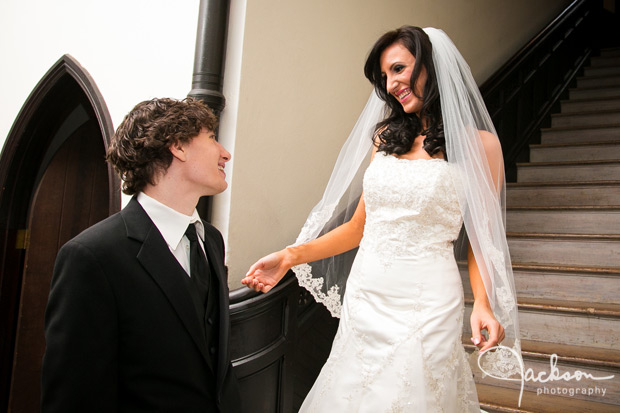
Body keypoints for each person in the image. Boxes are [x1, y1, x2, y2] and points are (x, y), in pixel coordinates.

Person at [242, 27, 522, 411]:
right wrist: (291, 255)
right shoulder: (386, 139)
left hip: (429, 299)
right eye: (385, 76)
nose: (391, 84)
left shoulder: (481, 146)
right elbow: (358, 228)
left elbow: (481, 238)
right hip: (368, 293)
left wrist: (484, 304)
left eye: (399, 68)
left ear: (431, 66)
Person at [42, 98, 241, 412]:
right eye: (212, 138)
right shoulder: (93, 255)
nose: (225, 153)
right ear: (178, 146)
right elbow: (75, 394)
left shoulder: (211, 240)